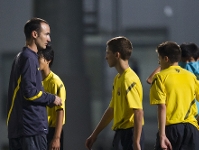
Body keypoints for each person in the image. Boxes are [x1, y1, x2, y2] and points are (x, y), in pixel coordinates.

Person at [7, 18, 62, 150]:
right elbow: (30, 92)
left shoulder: (21, 56)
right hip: (31, 130)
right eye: (46, 34)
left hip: (22, 129)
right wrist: (52, 98)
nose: (49, 39)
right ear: (35, 34)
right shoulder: (30, 58)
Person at [85, 36, 145, 150]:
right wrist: (94, 135)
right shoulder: (118, 78)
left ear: (117, 55)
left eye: (108, 53)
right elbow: (112, 109)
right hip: (120, 134)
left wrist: (136, 142)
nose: (106, 57)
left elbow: (138, 112)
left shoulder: (129, 79)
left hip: (130, 133)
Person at [150, 41, 199, 150]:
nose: (159, 62)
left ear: (166, 59)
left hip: (171, 129)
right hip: (192, 129)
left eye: (159, 58)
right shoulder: (191, 77)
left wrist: (162, 135)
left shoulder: (160, 77)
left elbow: (162, 107)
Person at [38, 45, 66, 150]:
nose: (36, 60)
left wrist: (56, 138)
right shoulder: (36, 80)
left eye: (39, 57)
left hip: (52, 130)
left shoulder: (55, 82)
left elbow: (60, 110)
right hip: (39, 130)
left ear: (48, 60)